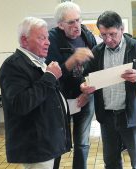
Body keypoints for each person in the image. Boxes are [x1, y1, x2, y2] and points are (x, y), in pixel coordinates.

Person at [80, 11, 136, 169]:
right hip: (107, 117)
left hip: (131, 116)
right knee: (111, 162)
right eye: (103, 35)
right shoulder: (97, 51)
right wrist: (84, 85)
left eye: (112, 34)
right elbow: (86, 75)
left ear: (121, 29)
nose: (108, 39)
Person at [0, 17, 71, 169]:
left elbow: (48, 98)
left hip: (49, 143)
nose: (48, 42)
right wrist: (50, 76)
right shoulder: (13, 66)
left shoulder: (39, 62)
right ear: (24, 41)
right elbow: (21, 104)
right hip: (36, 147)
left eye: (48, 38)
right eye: (41, 38)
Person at [46, 2, 96, 169]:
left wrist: (87, 93)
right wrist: (72, 60)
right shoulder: (51, 39)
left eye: (78, 20)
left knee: (82, 143)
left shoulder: (87, 35)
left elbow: (96, 68)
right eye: (71, 22)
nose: (77, 26)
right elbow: (50, 74)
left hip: (85, 96)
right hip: (61, 99)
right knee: (58, 143)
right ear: (60, 24)